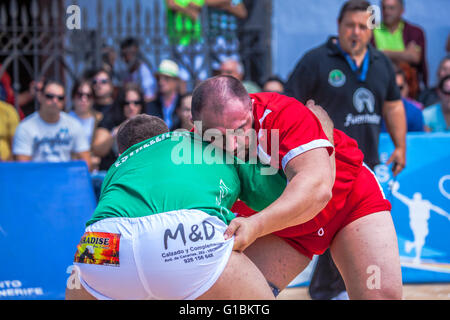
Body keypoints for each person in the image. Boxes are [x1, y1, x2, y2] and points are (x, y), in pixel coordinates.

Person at [192, 75, 402, 299]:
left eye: (242, 127)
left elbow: (318, 189)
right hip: (284, 227)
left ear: (251, 108)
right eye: (222, 137)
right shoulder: (192, 148)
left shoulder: (281, 113)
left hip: (348, 200)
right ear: (198, 128)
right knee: (232, 300)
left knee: (380, 295)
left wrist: (255, 225)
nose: (235, 143)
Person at [65, 114, 275, 300]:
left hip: (102, 241)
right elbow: (268, 193)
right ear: (166, 136)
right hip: (180, 234)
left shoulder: (117, 168)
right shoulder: (195, 144)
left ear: (122, 153)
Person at [285, 0, 406, 300]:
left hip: (368, 167)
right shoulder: (315, 61)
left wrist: (401, 145)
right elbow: (289, 106)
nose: (356, 32)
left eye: (363, 27)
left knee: (362, 232)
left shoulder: (381, 64)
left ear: (371, 30)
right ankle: (326, 292)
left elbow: (393, 106)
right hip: (328, 165)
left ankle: (342, 291)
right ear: (338, 27)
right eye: (350, 26)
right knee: (332, 229)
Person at [12, 79, 91, 170]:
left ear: (64, 101)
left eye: (60, 98)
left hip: (66, 179)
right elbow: (23, 168)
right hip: (37, 179)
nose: (55, 101)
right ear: (40, 96)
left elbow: (86, 164)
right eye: (50, 96)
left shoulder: (74, 125)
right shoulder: (25, 127)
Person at [373, 0, 428, 98]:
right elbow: (368, 56)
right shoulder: (372, 31)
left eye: (391, 8)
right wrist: (404, 54)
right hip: (379, 85)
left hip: (410, 90)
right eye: (384, 8)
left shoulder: (414, 32)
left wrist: (381, 52)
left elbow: (414, 57)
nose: (386, 12)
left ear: (402, 10)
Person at [390, 181, 450, 265]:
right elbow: (402, 198)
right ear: (414, 198)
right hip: (415, 223)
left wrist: (446, 214)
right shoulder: (412, 203)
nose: (417, 198)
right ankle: (417, 257)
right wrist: (394, 192)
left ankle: (410, 245)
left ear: (420, 197)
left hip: (424, 223)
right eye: (415, 197)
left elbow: (436, 208)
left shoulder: (425, 203)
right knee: (419, 239)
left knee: (420, 241)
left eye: (418, 197)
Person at [92, 83, 145, 173]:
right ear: (121, 104)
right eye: (126, 103)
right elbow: (98, 150)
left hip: (138, 172)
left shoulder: (149, 123)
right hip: (112, 172)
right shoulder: (109, 120)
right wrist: (115, 132)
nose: (131, 107)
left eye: (136, 103)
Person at [165, 0, 208, 91]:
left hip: (195, 39)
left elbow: (198, 6)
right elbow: (171, 4)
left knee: (199, 75)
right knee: (182, 75)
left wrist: (180, 7)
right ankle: (184, 101)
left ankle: (199, 101)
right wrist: (190, 11)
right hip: (178, 39)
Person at [206, 0, 248, 72]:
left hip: (230, 38)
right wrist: (228, 4)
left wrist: (219, 4)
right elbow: (205, 2)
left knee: (232, 70)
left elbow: (242, 12)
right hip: (212, 37)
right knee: (215, 70)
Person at [381, 67, 425, 132]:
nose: (395, 93)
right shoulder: (372, 111)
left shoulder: (415, 113)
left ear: (407, 88)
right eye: (390, 88)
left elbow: (417, 141)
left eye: (400, 88)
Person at [145, 59, 182, 130]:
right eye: (158, 78)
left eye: (166, 78)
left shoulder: (183, 103)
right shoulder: (151, 105)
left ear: (176, 81)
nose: (161, 82)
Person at [118, 37, 157, 103]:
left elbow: (149, 97)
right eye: (123, 55)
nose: (125, 58)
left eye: (127, 54)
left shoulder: (144, 71)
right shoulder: (129, 72)